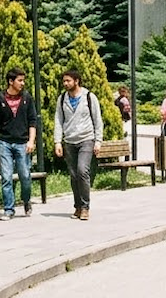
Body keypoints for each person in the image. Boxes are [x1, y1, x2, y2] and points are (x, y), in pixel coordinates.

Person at [0, 68, 38, 221]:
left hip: (23, 143)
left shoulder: (27, 98)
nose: (23, 83)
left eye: (23, 80)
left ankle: (26, 200)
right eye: (20, 80)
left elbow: (32, 121)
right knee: (6, 177)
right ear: (11, 81)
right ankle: (9, 209)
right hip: (5, 143)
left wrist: (31, 141)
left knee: (25, 176)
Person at [54, 69, 103, 221]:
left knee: (82, 171)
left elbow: (97, 119)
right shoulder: (62, 99)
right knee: (74, 175)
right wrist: (57, 142)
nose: (65, 84)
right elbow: (58, 120)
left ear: (76, 81)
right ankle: (77, 206)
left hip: (86, 139)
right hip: (69, 141)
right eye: (64, 81)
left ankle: (85, 206)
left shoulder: (89, 97)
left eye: (68, 81)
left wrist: (98, 141)